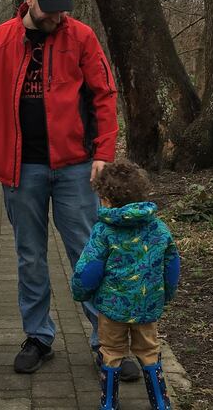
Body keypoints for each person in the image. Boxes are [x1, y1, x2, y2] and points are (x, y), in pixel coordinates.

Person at [0, 0, 128, 376]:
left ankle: (107, 343)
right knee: (30, 256)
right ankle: (38, 336)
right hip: (21, 169)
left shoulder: (81, 38)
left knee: (88, 253)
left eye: (62, 10)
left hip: (75, 166)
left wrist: (103, 153)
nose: (57, 17)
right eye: (50, 9)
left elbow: (104, 95)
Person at [71, 159, 180, 410]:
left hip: (113, 308)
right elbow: (172, 265)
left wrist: (80, 291)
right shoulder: (159, 228)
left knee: (111, 351)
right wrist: (166, 294)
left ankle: (109, 403)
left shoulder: (104, 231)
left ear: (106, 199)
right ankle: (161, 403)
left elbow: (89, 268)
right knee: (149, 351)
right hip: (146, 306)